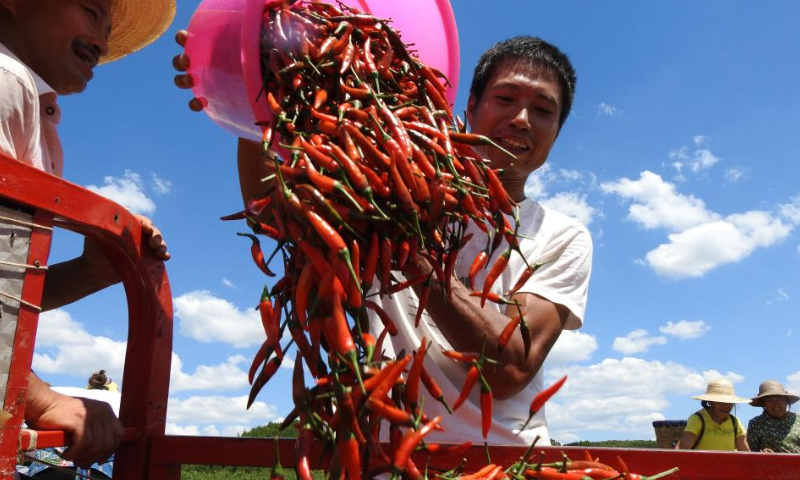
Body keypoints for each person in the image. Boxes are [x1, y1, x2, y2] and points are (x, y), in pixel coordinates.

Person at [172, 32, 591, 444]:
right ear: (471, 105)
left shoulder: (561, 236)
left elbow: (510, 368)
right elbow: (273, 212)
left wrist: (404, 240)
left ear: (556, 132)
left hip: (496, 463)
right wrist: (247, 96)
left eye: (542, 110)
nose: (521, 119)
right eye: (506, 99)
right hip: (383, 461)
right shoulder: (384, 177)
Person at [0, 0, 175, 469]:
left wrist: (91, 271)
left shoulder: (31, 103)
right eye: (92, 10)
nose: (103, 35)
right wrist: (38, 399)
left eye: (110, 24)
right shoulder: (5, 80)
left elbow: (5, 291)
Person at [676, 378, 750, 451]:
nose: (725, 405)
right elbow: (682, 452)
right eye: (720, 401)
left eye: (729, 402)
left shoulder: (735, 423)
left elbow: (747, 455)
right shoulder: (697, 420)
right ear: (710, 402)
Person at [746, 380, 800, 453]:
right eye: (769, 400)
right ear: (763, 404)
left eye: (779, 398)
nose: (775, 404)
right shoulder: (756, 423)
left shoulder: (798, 420)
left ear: (786, 401)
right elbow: (751, 454)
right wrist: (762, 454)